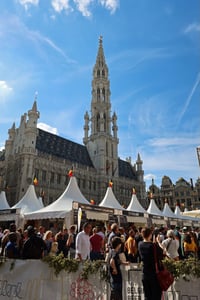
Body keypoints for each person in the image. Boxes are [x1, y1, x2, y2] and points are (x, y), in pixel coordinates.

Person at [138, 227, 163, 300]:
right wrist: (158, 242)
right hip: (154, 274)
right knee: (156, 296)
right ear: (150, 235)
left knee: (147, 296)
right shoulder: (153, 246)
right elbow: (163, 251)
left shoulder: (140, 244)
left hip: (145, 273)